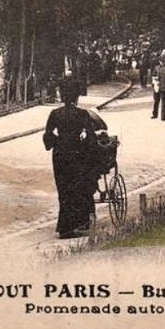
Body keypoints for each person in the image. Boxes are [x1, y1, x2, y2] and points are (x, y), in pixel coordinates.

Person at [43, 79, 99, 239]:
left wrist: (58, 142)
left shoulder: (54, 114)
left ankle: (64, 228)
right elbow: (90, 136)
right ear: (76, 97)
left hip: (60, 155)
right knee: (77, 188)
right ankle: (78, 223)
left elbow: (48, 136)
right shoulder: (82, 114)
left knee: (64, 190)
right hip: (77, 154)